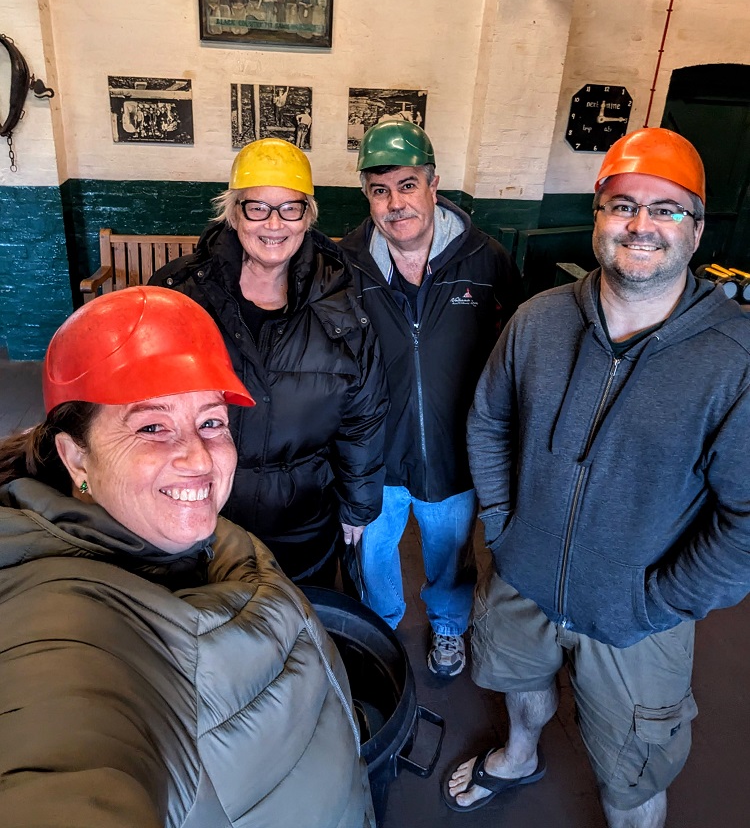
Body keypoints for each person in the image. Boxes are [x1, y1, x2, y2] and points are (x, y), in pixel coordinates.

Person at [445, 127, 750, 826]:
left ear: (696, 230)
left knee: (634, 767)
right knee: (517, 681)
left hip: (637, 617)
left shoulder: (735, 361)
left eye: (666, 209)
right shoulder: (537, 321)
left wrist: (661, 600)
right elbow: (488, 420)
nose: (640, 225)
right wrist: (504, 523)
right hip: (524, 574)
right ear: (598, 217)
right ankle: (520, 756)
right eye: (622, 204)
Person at [0, 286, 374, 827]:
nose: (197, 456)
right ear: (75, 456)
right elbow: (69, 757)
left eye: (212, 422)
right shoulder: (60, 628)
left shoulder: (199, 544)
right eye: (152, 426)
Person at [151, 139, 388, 587]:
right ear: (234, 212)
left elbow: (364, 415)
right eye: (257, 207)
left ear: (308, 215)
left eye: (290, 208)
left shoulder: (341, 299)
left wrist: (358, 506)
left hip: (304, 520)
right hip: (201, 512)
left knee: (301, 630)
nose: (274, 223)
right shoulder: (181, 294)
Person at [339, 120, 523, 677]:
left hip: (453, 448)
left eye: (407, 185)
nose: (395, 203)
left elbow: (517, 351)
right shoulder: (345, 264)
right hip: (374, 452)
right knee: (374, 559)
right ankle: (380, 631)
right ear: (368, 197)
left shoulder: (484, 260)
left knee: (450, 554)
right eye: (379, 190)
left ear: (432, 184)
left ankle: (447, 628)